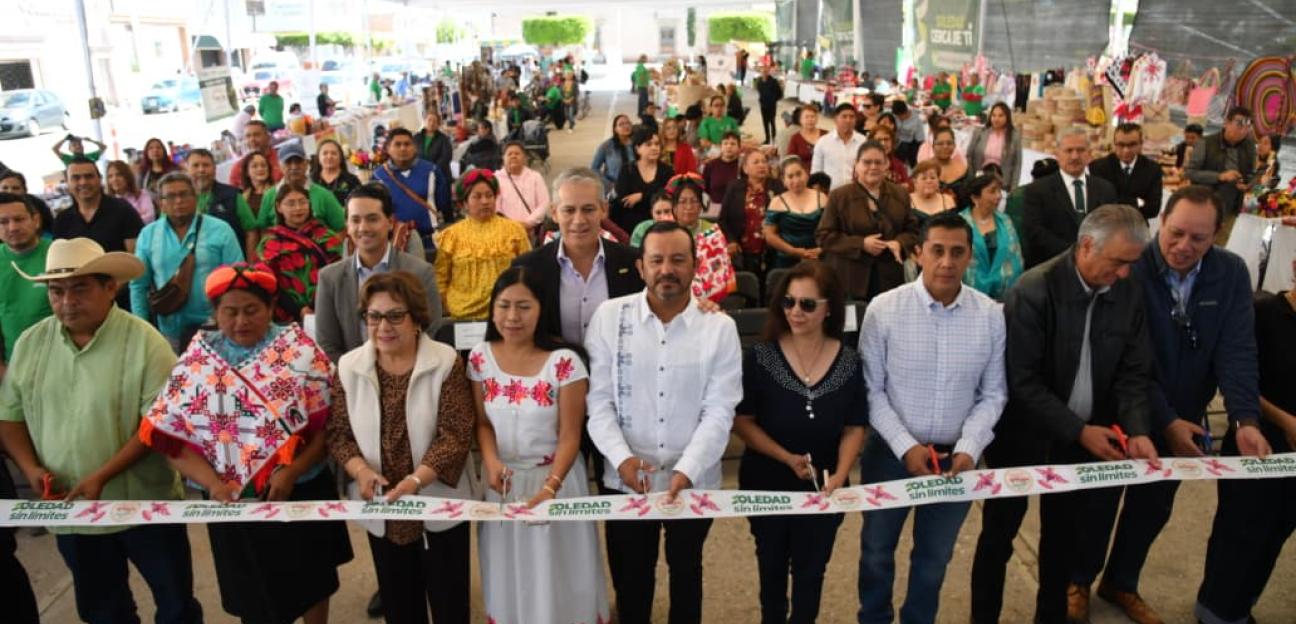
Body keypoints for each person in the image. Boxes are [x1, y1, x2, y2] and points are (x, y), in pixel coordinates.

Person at [1066, 186, 1266, 624]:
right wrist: (1165, 419)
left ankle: (1121, 582)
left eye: (1198, 238)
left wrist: (1244, 418)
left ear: (1218, 234)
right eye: (1175, 233)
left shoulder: (1230, 273)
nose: (1183, 247)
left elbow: (1236, 350)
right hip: (1121, 413)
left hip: (1186, 418)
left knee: (1153, 508)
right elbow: (1127, 361)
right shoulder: (1131, 269)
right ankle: (1077, 580)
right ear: (1161, 223)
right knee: (1097, 504)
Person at [0, 238, 202, 624]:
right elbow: (9, 417)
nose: (67, 302)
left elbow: (157, 424)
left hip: (146, 504)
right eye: (56, 292)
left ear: (111, 287)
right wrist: (30, 469)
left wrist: (102, 476)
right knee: (103, 611)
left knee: (176, 606)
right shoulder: (31, 343)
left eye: (80, 289)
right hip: (71, 509)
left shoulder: (147, 343)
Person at [139, 262, 353, 624]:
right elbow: (168, 436)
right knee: (251, 591)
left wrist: (293, 469)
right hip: (231, 498)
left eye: (251, 310)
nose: (241, 321)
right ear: (215, 314)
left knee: (313, 579)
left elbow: (328, 426)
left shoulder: (301, 353)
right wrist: (213, 485)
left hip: (299, 487)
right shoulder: (197, 362)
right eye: (230, 312)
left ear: (271, 308)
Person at [997, 204, 1161, 623]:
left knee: (1061, 547)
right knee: (998, 540)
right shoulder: (1033, 289)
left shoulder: (1128, 289)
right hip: (1023, 439)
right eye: (1118, 262)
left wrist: (1138, 429)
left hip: (1083, 445)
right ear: (1087, 246)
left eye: (1132, 264)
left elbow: (1133, 370)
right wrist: (1078, 430)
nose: (1124, 274)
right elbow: (1023, 382)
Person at [585, 220, 743, 624]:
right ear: (641, 267)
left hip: (693, 482)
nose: (666, 269)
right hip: (625, 481)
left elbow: (720, 409)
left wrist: (688, 470)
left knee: (687, 574)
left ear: (694, 266)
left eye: (677, 259)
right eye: (656, 260)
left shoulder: (720, 328)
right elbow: (598, 401)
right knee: (632, 580)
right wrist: (621, 460)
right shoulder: (608, 317)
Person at [857, 210, 1007, 624]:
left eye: (957, 252)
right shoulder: (884, 309)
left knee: (934, 559)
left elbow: (993, 394)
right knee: (875, 551)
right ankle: (873, 618)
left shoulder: (991, 315)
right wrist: (906, 447)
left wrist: (969, 447)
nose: (946, 262)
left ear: (970, 257)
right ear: (918, 253)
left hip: (955, 463)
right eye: (937, 251)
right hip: (890, 454)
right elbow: (871, 390)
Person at [327, 270, 477, 624]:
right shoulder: (349, 367)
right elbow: (338, 433)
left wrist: (415, 481)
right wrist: (361, 472)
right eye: (374, 316)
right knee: (399, 604)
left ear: (416, 319)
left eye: (395, 315)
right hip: (381, 505)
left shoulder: (445, 361)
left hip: (437, 500)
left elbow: (455, 435)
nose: (384, 326)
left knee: (449, 602)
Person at [470, 267, 611, 624]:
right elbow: (483, 424)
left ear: (541, 309)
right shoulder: (479, 358)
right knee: (510, 570)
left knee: (559, 571)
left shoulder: (564, 363)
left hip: (556, 483)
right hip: (502, 485)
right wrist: (491, 463)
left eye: (523, 306)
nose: (512, 317)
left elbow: (570, 436)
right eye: (503, 306)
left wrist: (551, 487)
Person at [734, 260, 866, 624]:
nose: (795, 311)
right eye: (789, 302)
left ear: (828, 309)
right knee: (771, 571)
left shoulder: (850, 362)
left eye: (807, 304)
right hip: (766, 481)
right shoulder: (760, 357)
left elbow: (855, 426)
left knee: (812, 573)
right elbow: (742, 422)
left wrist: (840, 474)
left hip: (825, 487)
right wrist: (784, 457)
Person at [1194, 259, 1296, 624]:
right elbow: (1237, 379)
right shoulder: (1262, 313)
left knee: (1276, 534)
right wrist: (1284, 421)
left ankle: (1242, 608)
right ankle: (1214, 611)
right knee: (1240, 534)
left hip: (1292, 459)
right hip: (1255, 443)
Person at [314, 182, 441, 363]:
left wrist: (394, 374)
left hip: (409, 376)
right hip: (353, 380)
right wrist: (358, 376)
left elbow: (429, 333)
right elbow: (327, 345)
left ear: (390, 222)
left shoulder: (420, 272)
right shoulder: (330, 278)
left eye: (372, 219)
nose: (363, 228)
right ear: (347, 225)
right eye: (355, 220)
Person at [130, 171, 244, 352]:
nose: (178, 201)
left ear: (195, 197)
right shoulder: (148, 235)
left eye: (184, 194)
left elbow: (237, 276)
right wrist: (143, 328)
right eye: (171, 196)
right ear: (161, 203)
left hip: (215, 327)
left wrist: (230, 318)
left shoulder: (220, 229)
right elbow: (138, 285)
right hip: (169, 332)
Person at [816, 141, 919, 301]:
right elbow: (824, 236)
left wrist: (899, 243)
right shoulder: (839, 196)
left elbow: (913, 231)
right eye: (867, 162)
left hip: (889, 278)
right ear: (856, 165)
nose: (873, 167)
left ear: (886, 166)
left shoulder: (900, 194)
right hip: (850, 277)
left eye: (878, 162)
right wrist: (861, 244)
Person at [434, 169, 531, 320]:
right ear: (464, 203)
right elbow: (441, 277)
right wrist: (447, 305)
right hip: (462, 316)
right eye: (477, 197)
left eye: (489, 195)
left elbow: (528, 270)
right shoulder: (451, 235)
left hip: (507, 315)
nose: (485, 201)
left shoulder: (514, 230)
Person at [54, 157, 145, 311]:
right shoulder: (62, 220)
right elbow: (61, 267)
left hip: (122, 302)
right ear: (67, 183)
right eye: (76, 178)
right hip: (79, 305)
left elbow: (135, 258)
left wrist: (105, 293)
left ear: (99, 180)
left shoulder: (123, 210)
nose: (83, 182)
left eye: (89, 176)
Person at [1021, 127, 1118, 268]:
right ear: (1057, 154)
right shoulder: (1037, 190)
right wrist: (1075, 254)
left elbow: (1111, 228)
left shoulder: (1105, 189)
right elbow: (1034, 232)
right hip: (1052, 267)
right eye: (1069, 151)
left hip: (1096, 267)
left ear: (1089, 155)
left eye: (1080, 150)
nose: (1074, 156)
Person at [257, 183, 344, 322]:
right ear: (279, 207)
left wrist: (319, 306)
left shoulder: (326, 236)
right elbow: (270, 282)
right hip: (287, 314)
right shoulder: (269, 242)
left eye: (302, 202)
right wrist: (299, 310)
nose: (298, 208)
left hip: (328, 308)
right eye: (290, 203)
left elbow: (338, 274)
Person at [374, 127, 454, 250]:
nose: (403, 148)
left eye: (407, 144)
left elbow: (443, 202)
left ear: (415, 147)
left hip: (431, 240)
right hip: (396, 243)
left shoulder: (431, 171)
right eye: (397, 144)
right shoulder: (378, 177)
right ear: (388, 149)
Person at [1186, 106, 1256, 244]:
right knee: (1196, 244)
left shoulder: (1249, 145)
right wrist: (1220, 176)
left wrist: (1248, 182)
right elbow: (1190, 173)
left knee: (1218, 247)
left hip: (1230, 206)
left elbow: (1251, 173)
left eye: (1248, 125)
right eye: (1239, 124)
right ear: (1226, 123)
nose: (1243, 130)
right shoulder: (1205, 143)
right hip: (1204, 204)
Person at [0, 192, 52, 370]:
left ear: (35, 220)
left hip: (58, 361)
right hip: (13, 365)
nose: (12, 227)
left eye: (19, 219)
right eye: (3, 222)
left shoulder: (58, 253)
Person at [256, 143, 346, 234]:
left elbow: (341, 227)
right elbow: (263, 230)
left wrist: (331, 247)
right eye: (288, 162)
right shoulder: (270, 195)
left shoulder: (323, 195)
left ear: (306, 164)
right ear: (280, 166)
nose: (294, 167)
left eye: (298, 161)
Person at [958, 173, 1021, 300]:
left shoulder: (1005, 221)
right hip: (967, 296)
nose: (998, 196)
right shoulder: (959, 224)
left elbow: (1015, 258)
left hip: (1004, 298)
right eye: (992, 191)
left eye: (999, 191)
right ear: (975, 198)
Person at [188, 148, 259, 259]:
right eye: (195, 165)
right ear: (187, 169)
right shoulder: (177, 199)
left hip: (230, 262)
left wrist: (250, 265)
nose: (201, 170)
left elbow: (251, 231)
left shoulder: (233, 195)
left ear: (215, 169)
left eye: (206, 165)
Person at [721, 149, 783, 274]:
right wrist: (731, 240)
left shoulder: (777, 186)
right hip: (741, 251)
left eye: (764, 162)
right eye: (756, 162)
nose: (762, 165)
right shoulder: (735, 187)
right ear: (745, 168)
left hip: (771, 250)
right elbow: (723, 219)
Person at [1089, 122, 1163, 219]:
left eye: (1132, 144)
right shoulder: (1098, 167)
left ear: (1141, 144)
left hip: (1137, 226)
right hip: (1107, 225)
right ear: (1114, 144)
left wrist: (1115, 201)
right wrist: (1137, 202)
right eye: (1121, 145)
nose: (1126, 150)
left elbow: (1153, 209)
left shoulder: (1153, 169)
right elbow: (1097, 206)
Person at [764, 156, 826, 268]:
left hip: (817, 257)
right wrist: (792, 251)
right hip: (786, 259)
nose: (796, 180)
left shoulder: (822, 198)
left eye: (799, 174)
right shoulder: (776, 201)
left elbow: (831, 229)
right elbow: (769, 235)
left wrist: (822, 249)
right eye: (790, 176)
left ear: (806, 174)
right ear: (783, 180)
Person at [614, 125, 674, 234]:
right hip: (631, 229)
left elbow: (668, 196)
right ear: (637, 148)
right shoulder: (627, 170)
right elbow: (624, 201)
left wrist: (641, 196)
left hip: (661, 227)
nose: (654, 148)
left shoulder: (667, 171)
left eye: (657, 144)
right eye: (648, 144)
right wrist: (653, 194)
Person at [495, 141, 549, 237]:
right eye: (509, 154)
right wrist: (513, 226)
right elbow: (496, 209)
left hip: (531, 231)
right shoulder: (496, 179)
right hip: (505, 232)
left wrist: (528, 224)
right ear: (503, 158)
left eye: (517, 153)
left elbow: (544, 203)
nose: (513, 156)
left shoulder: (535, 176)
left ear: (525, 158)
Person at [966, 103, 1022, 192]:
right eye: (994, 115)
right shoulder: (980, 132)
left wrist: (1013, 188)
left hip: (1003, 184)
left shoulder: (1014, 136)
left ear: (1007, 117)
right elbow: (969, 155)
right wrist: (972, 177)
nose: (996, 119)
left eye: (1000, 116)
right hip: (980, 181)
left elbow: (1017, 164)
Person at [812, 103, 866, 191]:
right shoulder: (823, 142)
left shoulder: (863, 142)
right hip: (830, 193)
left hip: (856, 192)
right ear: (835, 119)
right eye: (844, 116)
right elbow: (816, 171)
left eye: (851, 117)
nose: (848, 120)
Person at [229, 121, 285, 190]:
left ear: (268, 137)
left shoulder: (283, 157)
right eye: (248, 136)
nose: (252, 139)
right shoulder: (238, 167)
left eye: (256, 135)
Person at [0, 170, 55, 237]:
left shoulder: (37, 204)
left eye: (15, 188)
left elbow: (51, 227)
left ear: (24, 190)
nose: (10, 191)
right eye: (5, 188)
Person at [310, 139, 361, 208]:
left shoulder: (352, 179)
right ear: (318, 158)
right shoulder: (312, 181)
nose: (329, 156)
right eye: (325, 153)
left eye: (333, 153)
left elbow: (360, 204)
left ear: (340, 158)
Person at [593, 114, 636, 191]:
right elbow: (594, 168)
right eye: (621, 124)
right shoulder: (606, 146)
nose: (626, 126)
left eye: (628, 123)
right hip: (613, 188)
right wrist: (608, 184)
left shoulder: (637, 144)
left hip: (634, 187)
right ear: (615, 129)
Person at [701, 132, 743, 209]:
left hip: (737, 209)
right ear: (720, 147)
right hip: (714, 209)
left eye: (733, 144)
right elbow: (703, 190)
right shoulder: (711, 165)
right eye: (725, 143)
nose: (729, 146)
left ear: (739, 148)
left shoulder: (743, 166)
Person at [105, 159, 155, 224]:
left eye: (119, 175)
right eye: (110, 176)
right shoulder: (106, 202)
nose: (115, 179)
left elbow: (150, 218)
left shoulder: (142, 195)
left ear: (127, 176)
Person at [909, 160, 957, 225]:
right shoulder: (907, 200)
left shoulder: (948, 200)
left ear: (938, 180)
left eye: (933, 178)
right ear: (915, 182)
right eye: (924, 178)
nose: (929, 181)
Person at [413, 109, 454, 177]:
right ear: (425, 121)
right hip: (421, 174)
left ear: (438, 124)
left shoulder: (443, 139)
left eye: (435, 121)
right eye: (429, 120)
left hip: (440, 174)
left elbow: (446, 157)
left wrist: (433, 169)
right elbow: (412, 155)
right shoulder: (416, 138)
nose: (432, 123)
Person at [239, 151, 275, 224]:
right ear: (247, 172)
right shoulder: (243, 197)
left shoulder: (276, 191)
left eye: (263, 165)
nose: (260, 169)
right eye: (254, 166)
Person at [754, 64, 783, 144]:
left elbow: (780, 94)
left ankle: (774, 139)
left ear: (768, 72)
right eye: (763, 71)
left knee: (772, 122)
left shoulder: (773, 81)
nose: (764, 73)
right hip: (763, 105)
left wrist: (773, 100)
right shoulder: (759, 81)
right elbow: (759, 91)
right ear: (761, 72)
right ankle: (767, 139)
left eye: (766, 71)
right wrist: (761, 100)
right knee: (765, 122)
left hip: (771, 105)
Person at [893, 100, 925, 166]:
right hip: (895, 142)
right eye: (897, 116)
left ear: (906, 112)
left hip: (910, 143)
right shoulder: (894, 116)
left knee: (906, 148)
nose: (899, 118)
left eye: (900, 116)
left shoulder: (916, 119)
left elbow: (920, 139)